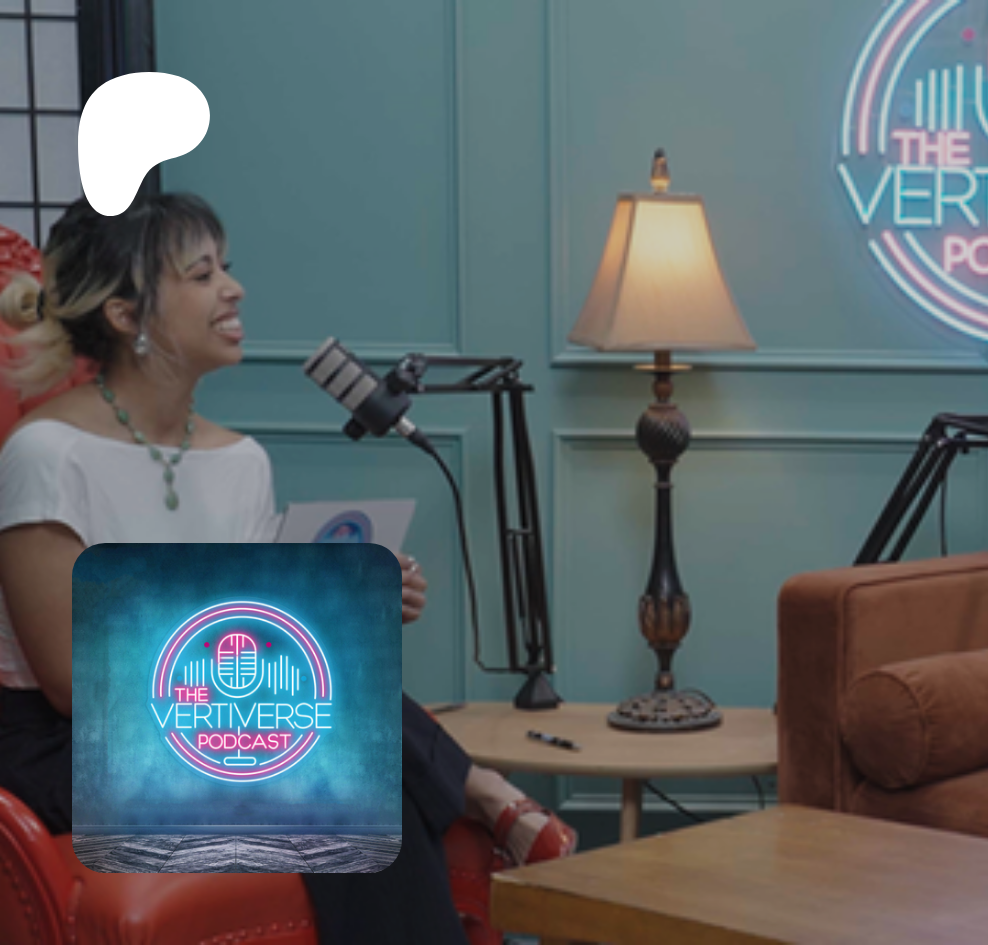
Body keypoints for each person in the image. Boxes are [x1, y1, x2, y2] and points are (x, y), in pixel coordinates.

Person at [0, 193, 574, 944]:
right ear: (124, 312)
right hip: (70, 743)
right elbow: (74, 683)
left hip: (205, 713)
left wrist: (345, 602)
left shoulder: (241, 460)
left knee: (352, 754)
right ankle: (475, 785)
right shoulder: (46, 454)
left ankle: (466, 786)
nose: (234, 290)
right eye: (202, 275)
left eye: (226, 269)